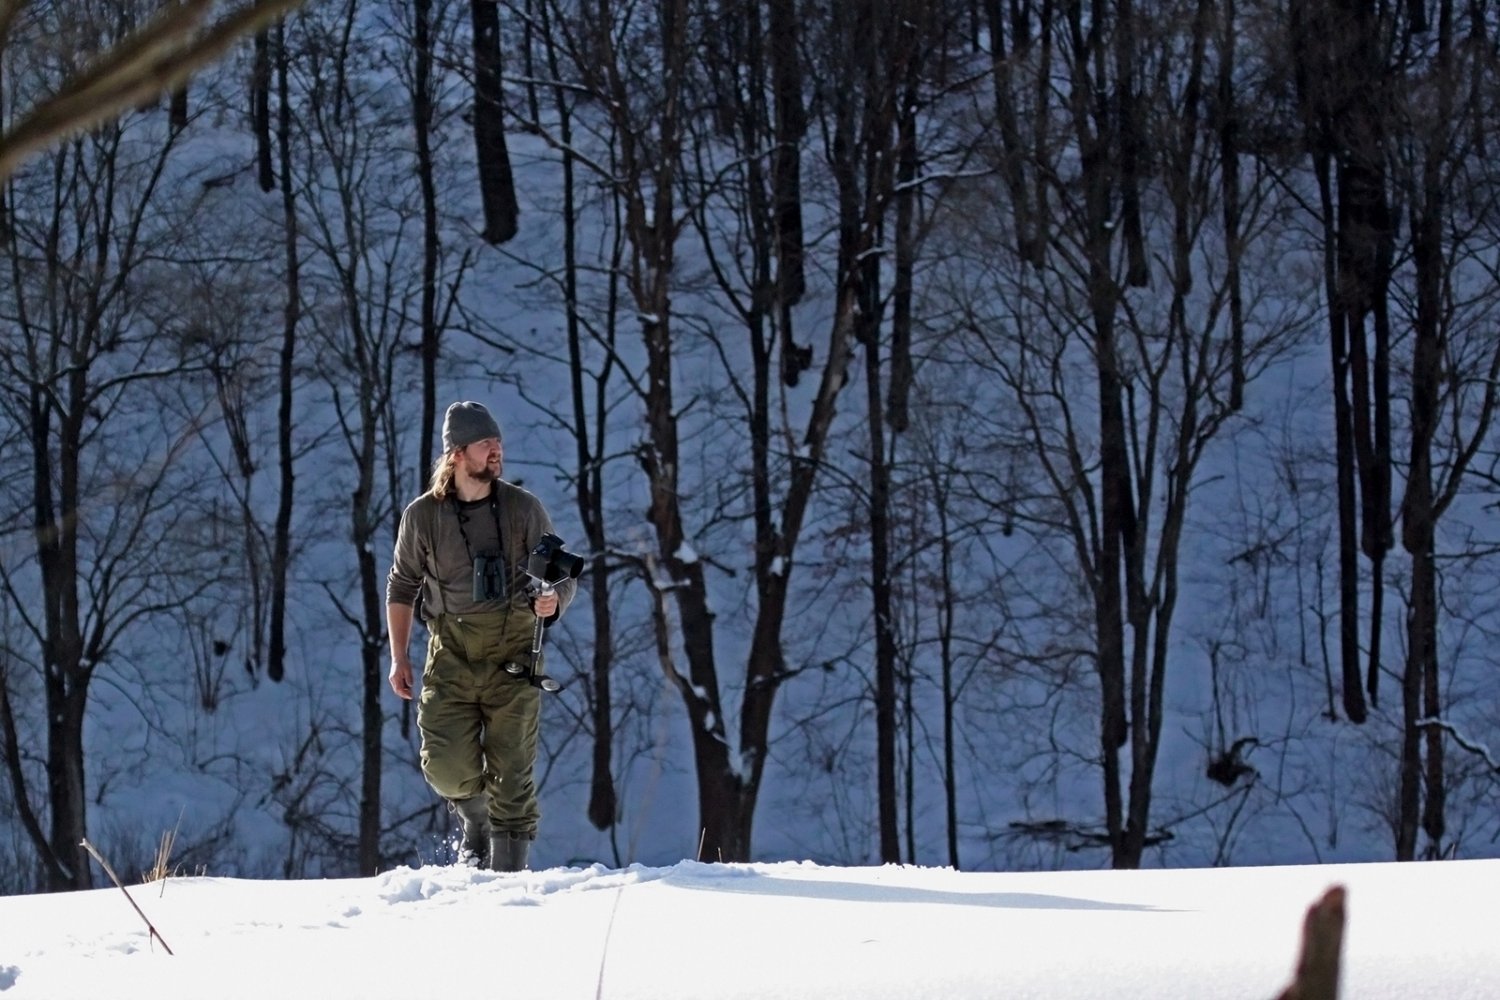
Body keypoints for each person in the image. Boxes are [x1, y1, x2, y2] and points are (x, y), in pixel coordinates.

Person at [386, 401, 576, 871]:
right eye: (484, 443)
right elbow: (402, 585)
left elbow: (562, 573)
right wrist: (399, 656)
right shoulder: (423, 517)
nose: (496, 450)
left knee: (512, 776)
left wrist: (553, 601)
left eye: (498, 442)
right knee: (445, 765)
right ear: (456, 454)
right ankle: (476, 819)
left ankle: (507, 886)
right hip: (450, 654)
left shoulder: (523, 509)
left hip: (514, 653)